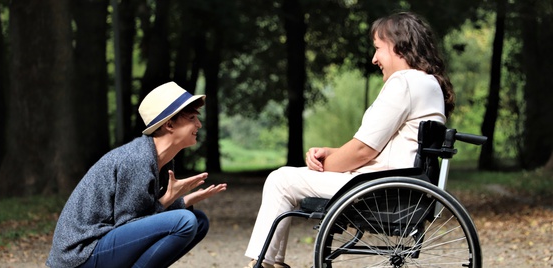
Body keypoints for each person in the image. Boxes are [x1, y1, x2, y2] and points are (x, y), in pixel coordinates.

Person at [243, 11, 455, 268]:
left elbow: (362, 151)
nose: (374, 58)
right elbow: (381, 147)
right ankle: (267, 263)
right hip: (401, 183)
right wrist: (330, 153)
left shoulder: (404, 83)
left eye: (378, 48)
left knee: (281, 180)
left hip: (380, 188)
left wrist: (322, 166)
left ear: (400, 46)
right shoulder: (429, 83)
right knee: (286, 179)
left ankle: (263, 263)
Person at [47, 81, 227, 268]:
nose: (198, 124)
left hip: (103, 245)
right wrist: (169, 200)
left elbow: (142, 219)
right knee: (185, 221)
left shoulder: (160, 160)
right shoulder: (137, 159)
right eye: (191, 118)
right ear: (169, 124)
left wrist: (182, 201)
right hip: (80, 255)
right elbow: (128, 226)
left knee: (199, 222)